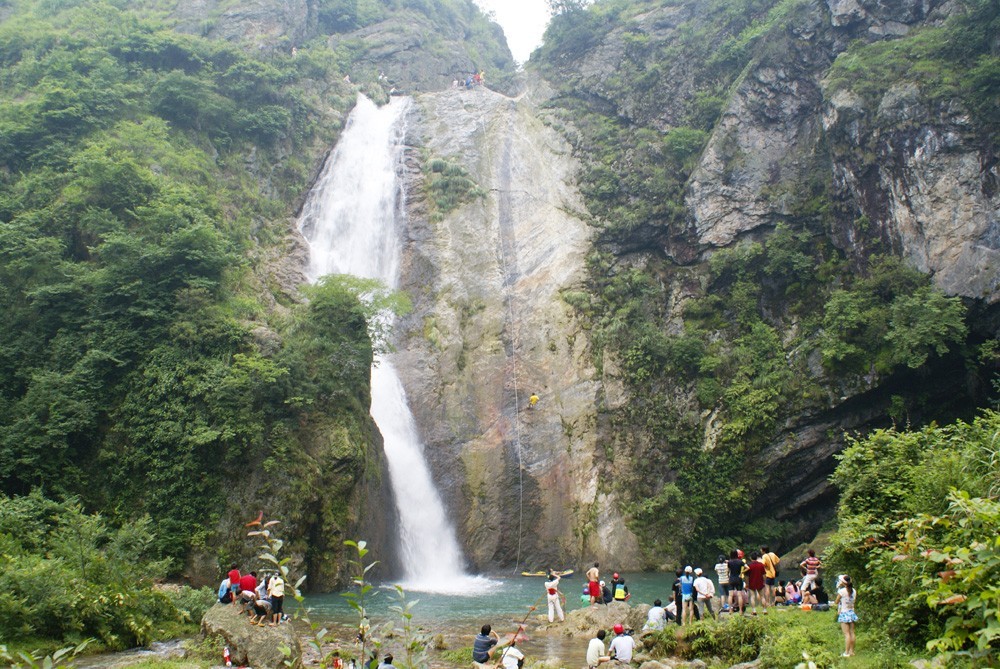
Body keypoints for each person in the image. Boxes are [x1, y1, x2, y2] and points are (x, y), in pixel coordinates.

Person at [834, 575, 858, 657]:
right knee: (852, 632)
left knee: (846, 634)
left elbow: (836, 602)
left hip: (844, 613)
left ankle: (846, 652)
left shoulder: (842, 591)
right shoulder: (854, 591)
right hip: (851, 612)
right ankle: (852, 651)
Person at [726, 551, 745, 615]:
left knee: (730, 595)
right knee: (739, 595)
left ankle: (730, 610)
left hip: (731, 578)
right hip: (738, 578)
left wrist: (728, 576)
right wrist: (741, 573)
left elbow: (728, 571)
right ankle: (740, 610)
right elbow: (747, 567)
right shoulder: (740, 561)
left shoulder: (729, 562)